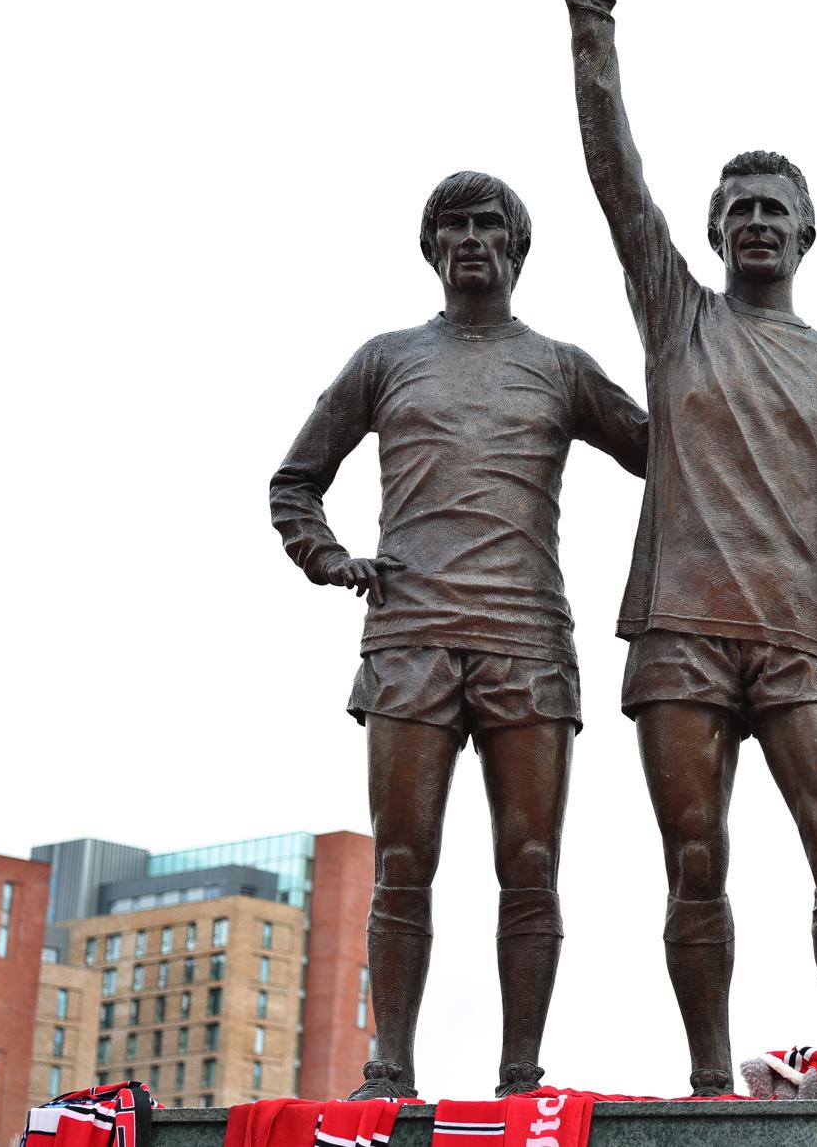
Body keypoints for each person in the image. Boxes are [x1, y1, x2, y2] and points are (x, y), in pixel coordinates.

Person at [561, 0, 817, 1095]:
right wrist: (593, 34)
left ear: (807, 232)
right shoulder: (677, 313)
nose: (758, 221)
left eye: (777, 207)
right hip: (680, 627)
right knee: (696, 859)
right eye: (739, 207)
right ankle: (708, 1079)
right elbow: (616, 177)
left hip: (803, 633)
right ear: (718, 228)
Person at [269, 171, 648, 1098]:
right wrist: (326, 558)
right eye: (454, 226)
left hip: (527, 639)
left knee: (530, 864)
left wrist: (780, 481)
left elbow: (670, 458)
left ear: (516, 248)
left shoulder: (561, 365)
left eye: (489, 225)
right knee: (402, 860)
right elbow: (295, 480)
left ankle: (522, 1074)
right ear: (432, 248)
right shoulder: (386, 358)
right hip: (410, 639)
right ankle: (387, 1065)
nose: (472, 238)